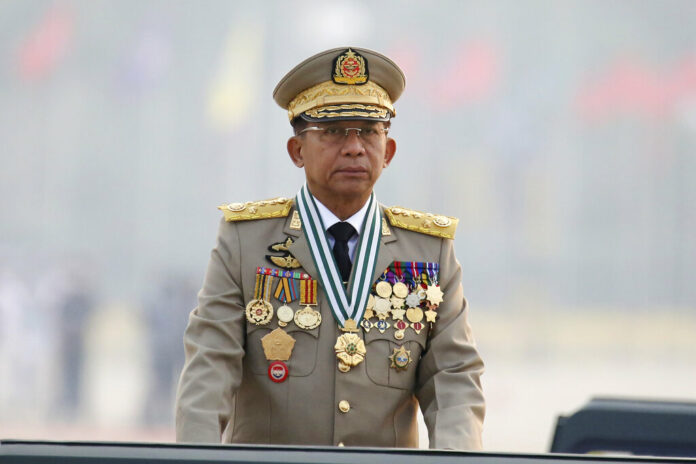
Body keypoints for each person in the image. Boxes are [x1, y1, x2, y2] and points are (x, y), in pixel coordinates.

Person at [175, 46, 485, 449]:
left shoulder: (428, 251)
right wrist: (194, 461)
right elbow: (208, 370)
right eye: (335, 130)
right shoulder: (245, 242)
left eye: (370, 131)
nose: (354, 147)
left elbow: (454, 378)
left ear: (388, 152)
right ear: (297, 151)